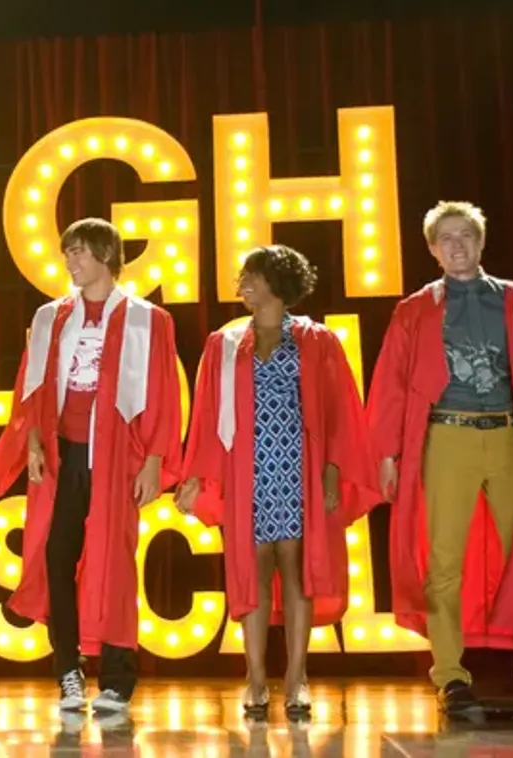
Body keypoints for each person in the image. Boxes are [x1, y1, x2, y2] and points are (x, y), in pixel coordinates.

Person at [367, 201, 513, 715]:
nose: (457, 245)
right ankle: (450, 678)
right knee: (442, 561)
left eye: (465, 235)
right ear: (433, 249)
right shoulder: (415, 310)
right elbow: (392, 383)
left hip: (509, 437)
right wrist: (387, 452)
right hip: (448, 436)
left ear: (481, 242)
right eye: (446, 238)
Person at [0, 218, 183, 715]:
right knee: (56, 558)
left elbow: (163, 392)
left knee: (114, 562)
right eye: (67, 252)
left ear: (106, 256)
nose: (69, 261)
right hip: (63, 453)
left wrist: (154, 461)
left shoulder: (147, 319)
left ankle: (117, 678)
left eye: (79, 252)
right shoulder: (51, 317)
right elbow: (32, 387)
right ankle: (67, 669)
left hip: (117, 456)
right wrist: (33, 444)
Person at [174, 246, 380, 718]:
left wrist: (331, 472)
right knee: (252, 569)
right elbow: (206, 415)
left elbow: (338, 412)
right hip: (245, 469)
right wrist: (198, 477)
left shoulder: (317, 340)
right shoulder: (224, 344)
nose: (244, 283)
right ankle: (255, 678)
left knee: (296, 569)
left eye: (255, 275)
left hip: (297, 467)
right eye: (243, 274)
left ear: (280, 283)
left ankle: (297, 677)